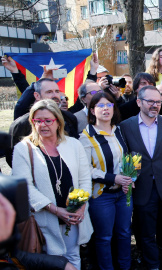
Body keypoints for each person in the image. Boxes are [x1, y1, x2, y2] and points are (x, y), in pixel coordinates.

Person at [11, 99, 93, 269]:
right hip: (45, 219)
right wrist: (56, 210)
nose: (43, 125)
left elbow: (85, 179)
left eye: (48, 120)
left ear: (58, 121)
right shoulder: (24, 149)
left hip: (73, 217)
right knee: (53, 262)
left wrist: (81, 206)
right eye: (38, 120)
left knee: (73, 256)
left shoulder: (74, 145)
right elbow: (25, 187)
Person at [119, 86, 162, 270]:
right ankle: (153, 265)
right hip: (141, 188)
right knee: (146, 232)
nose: (155, 105)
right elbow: (124, 156)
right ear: (139, 102)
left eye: (158, 101)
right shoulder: (126, 126)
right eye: (151, 101)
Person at [79, 92, 133, 270]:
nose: (105, 109)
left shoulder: (118, 130)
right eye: (100, 106)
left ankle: (125, 267)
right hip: (102, 196)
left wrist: (129, 177)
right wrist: (113, 178)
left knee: (125, 233)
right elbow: (86, 168)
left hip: (123, 192)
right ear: (92, 110)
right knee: (104, 237)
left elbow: (125, 158)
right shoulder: (86, 137)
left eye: (109, 105)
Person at [8, 78, 79, 167]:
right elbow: (13, 159)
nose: (55, 95)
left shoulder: (69, 118)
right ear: (37, 96)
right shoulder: (21, 124)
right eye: (49, 92)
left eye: (57, 91)